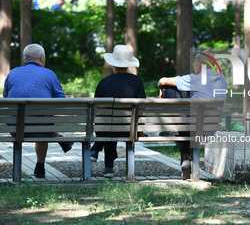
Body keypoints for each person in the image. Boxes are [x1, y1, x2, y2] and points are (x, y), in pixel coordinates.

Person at [3, 44, 72, 178]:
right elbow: (61, 101)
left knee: (39, 120)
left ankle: (17, 172)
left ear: (24, 60)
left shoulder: (12, 73)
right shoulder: (50, 74)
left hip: (15, 128)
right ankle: (40, 167)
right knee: (43, 122)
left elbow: (6, 97)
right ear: (41, 58)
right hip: (42, 128)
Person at [157, 52, 228, 180]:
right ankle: (186, 159)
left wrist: (161, 88)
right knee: (191, 104)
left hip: (191, 124)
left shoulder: (195, 79)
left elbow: (163, 80)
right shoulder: (222, 80)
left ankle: (185, 157)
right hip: (210, 127)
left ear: (200, 64)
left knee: (169, 88)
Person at [90, 45, 146, 178]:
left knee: (108, 125)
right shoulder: (137, 81)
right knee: (113, 124)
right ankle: (100, 156)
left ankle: (104, 161)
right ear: (128, 65)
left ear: (113, 65)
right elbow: (142, 106)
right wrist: (140, 128)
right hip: (128, 128)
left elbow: (96, 107)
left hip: (105, 128)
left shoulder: (104, 82)